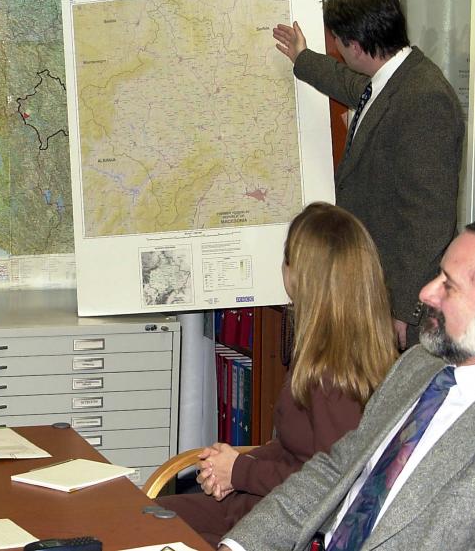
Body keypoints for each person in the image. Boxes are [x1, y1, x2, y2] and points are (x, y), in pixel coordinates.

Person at [220, 219, 475, 551]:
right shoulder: (419, 365)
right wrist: (241, 545)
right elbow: (335, 471)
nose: (426, 293)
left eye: (449, 285)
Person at [156, 203, 397, 546]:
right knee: (143, 516)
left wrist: (240, 471)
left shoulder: (333, 378)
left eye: (286, 259)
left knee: (145, 531)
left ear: (300, 276)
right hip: (259, 506)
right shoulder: (330, 352)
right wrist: (232, 466)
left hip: (279, 528)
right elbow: (292, 450)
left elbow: (331, 487)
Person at [272, 0, 464, 349]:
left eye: (339, 43)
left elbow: (430, 218)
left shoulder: (425, 99)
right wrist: (302, 58)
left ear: (356, 46)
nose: (338, 50)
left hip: (397, 305)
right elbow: (350, 84)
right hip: (373, 290)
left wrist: (404, 308)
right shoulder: (394, 79)